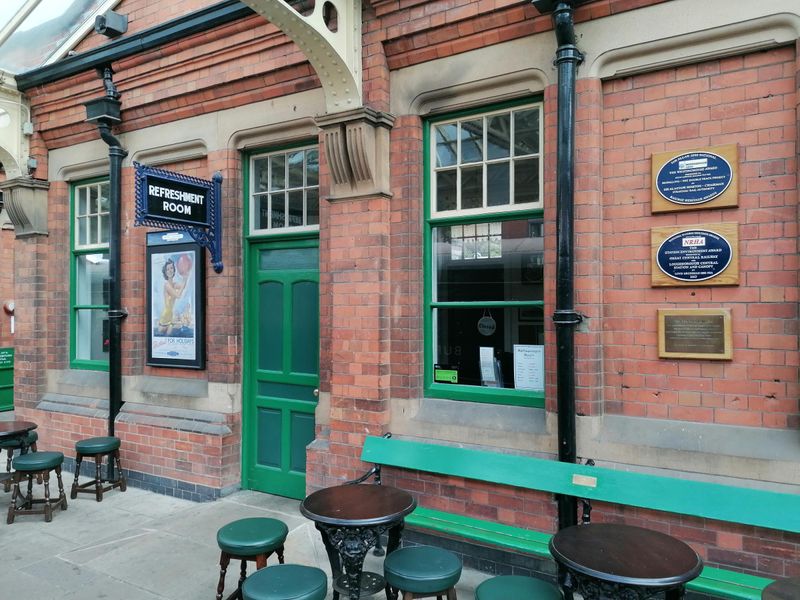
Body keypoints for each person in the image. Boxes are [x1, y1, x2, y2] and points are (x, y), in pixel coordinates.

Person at [156, 257, 189, 336]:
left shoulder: (174, 284)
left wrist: (185, 278)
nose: (170, 270)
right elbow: (178, 295)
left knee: (168, 337)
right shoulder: (167, 285)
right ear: (165, 272)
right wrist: (184, 280)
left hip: (170, 316)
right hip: (165, 317)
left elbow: (183, 287)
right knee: (163, 337)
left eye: (171, 268)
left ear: (174, 270)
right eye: (168, 269)